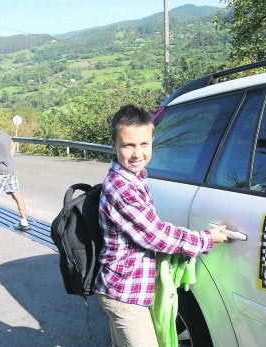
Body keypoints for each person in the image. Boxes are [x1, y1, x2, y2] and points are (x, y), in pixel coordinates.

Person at [93, 104, 228, 347]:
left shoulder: (136, 178)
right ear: (113, 144)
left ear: (153, 141)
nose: (137, 153)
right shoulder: (121, 187)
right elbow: (156, 236)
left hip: (127, 289)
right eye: (128, 145)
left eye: (144, 144)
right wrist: (207, 238)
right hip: (124, 294)